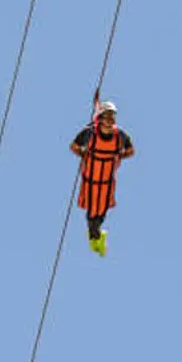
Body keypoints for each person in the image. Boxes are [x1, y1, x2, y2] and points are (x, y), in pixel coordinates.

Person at [69, 100, 135, 257]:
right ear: (100, 117)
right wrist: (83, 152)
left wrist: (120, 155)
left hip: (107, 180)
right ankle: (95, 237)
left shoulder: (120, 135)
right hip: (91, 179)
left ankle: (97, 235)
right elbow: (73, 146)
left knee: (103, 210)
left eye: (113, 116)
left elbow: (131, 150)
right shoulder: (90, 132)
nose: (110, 119)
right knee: (92, 212)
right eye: (107, 116)